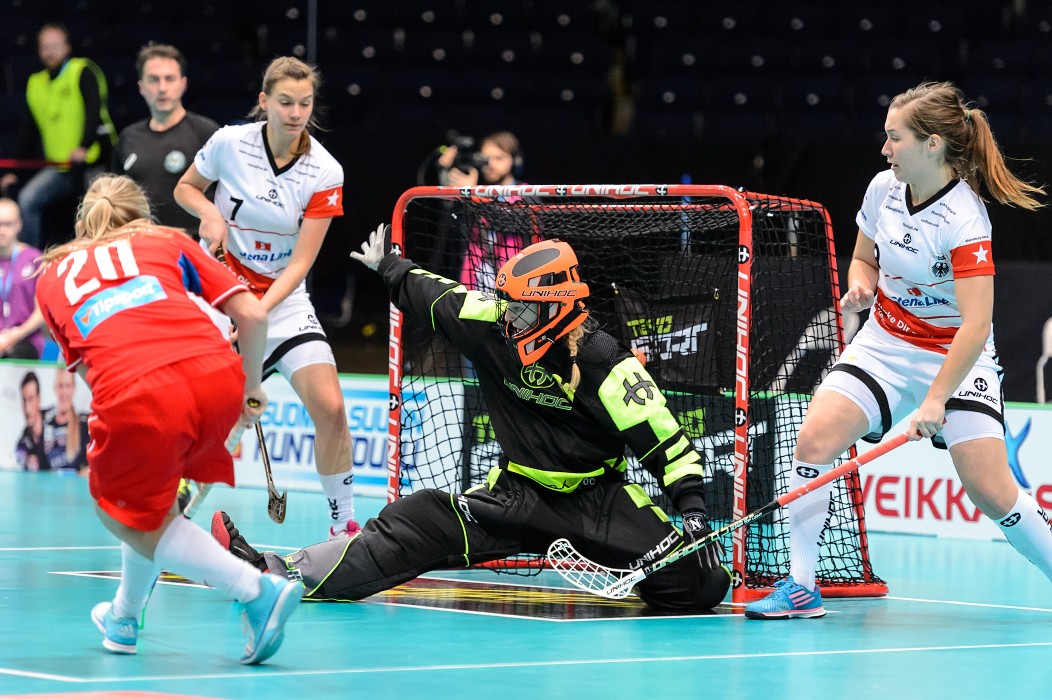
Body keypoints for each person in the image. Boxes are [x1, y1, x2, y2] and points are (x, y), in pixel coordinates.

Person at [213, 231, 731, 612]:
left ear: (556, 310)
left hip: (595, 505)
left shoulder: (609, 367)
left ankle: (639, 565)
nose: (508, 319)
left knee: (701, 584)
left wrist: (691, 513)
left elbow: (670, 447)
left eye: (522, 311)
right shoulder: (492, 325)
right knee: (413, 520)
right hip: (514, 497)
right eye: (507, 306)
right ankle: (270, 571)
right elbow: (435, 296)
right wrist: (391, 268)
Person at [745, 81, 1052, 620]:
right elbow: (863, 258)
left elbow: (976, 326)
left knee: (991, 490)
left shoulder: (965, 220)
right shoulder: (882, 188)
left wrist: (936, 401)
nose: (885, 149)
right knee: (814, 437)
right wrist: (860, 284)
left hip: (956, 356)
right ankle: (800, 585)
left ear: (932, 145)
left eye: (895, 138)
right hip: (885, 343)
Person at [34, 174, 302, 663]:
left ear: (81, 224)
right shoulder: (166, 240)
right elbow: (254, 316)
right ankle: (123, 617)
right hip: (215, 372)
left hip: (136, 390)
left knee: (116, 508)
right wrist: (250, 386)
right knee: (151, 506)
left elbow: (96, 375)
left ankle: (256, 591)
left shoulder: (51, 274)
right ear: (142, 216)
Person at [174, 56, 359, 540]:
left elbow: (300, 263)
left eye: (305, 103)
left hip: (283, 300)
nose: (296, 112)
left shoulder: (324, 170)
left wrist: (257, 311)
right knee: (218, 417)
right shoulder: (229, 144)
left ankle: (343, 529)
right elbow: (186, 188)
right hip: (221, 294)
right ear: (264, 102)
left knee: (333, 409)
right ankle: (173, 521)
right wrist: (209, 216)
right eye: (285, 102)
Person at [0, 23, 116, 249]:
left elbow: (94, 111)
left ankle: (99, 254)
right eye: (45, 47)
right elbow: (29, 130)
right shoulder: (36, 83)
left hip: (94, 162)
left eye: (55, 46)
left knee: (97, 208)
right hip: (60, 168)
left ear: (67, 47)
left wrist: (83, 146)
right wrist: (14, 171)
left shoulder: (83, 71)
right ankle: (27, 262)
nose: (50, 52)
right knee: (28, 200)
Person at [112, 43, 219, 235]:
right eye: (153, 80)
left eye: (169, 79)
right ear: (141, 87)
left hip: (195, 247)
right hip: (144, 246)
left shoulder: (207, 133)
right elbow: (116, 201)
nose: (162, 88)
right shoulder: (128, 138)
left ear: (183, 83)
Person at [437, 131, 526, 290]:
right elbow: (453, 225)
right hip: (475, 285)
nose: (490, 164)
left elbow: (506, 222)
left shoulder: (526, 193)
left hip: (515, 286)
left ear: (515, 161)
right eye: (485, 158)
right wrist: (444, 170)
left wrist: (474, 194)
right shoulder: (478, 191)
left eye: (499, 158)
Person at [0, 198, 46, 358]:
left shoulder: (34, 259)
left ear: (18, 225)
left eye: (8, 224)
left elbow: (42, 312)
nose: (2, 230)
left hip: (26, 340)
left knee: (15, 354)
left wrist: (16, 335)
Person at [43, 370, 90, 475]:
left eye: (68, 386)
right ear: (55, 388)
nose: (64, 392)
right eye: (60, 386)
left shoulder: (83, 424)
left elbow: (88, 469)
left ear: (73, 388)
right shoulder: (46, 424)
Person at [16, 371, 47, 471]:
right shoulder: (22, 444)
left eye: (30, 399)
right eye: (24, 400)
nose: (27, 408)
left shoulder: (55, 422)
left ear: (39, 399)